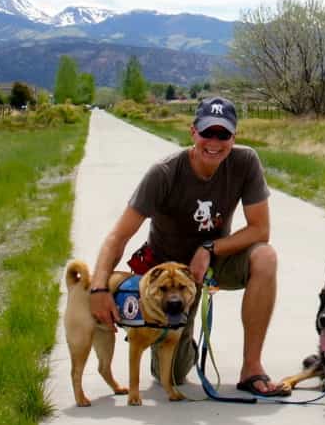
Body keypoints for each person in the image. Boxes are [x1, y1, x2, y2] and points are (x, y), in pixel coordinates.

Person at [88, 95, 290, 397]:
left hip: (213, 261)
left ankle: (252, 367)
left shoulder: (245, 162)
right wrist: (99, 288)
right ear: (193, 132)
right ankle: (182, 338)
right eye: (208, 132)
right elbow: (118, 236)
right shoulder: (164, 173)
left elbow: (261, 229)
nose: (215, 142)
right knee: (172, 376)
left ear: (234, 137)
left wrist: (210, 249)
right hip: (168, 279)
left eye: (224, 134)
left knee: (265, 257)